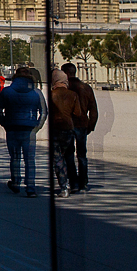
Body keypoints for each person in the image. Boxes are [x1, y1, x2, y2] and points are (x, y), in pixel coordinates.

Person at [0, 66, 47, 197]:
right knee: (30, 160)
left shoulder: (7, 91)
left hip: (12, 127)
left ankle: (16, 182)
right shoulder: (36, 92)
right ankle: (30, 187)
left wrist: (4, 123)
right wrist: (37, 126)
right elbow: (44, 112)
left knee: (15, 158)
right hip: (29, 128)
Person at [61, 63, 98, 192]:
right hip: (82, 124)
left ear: (66, 73)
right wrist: (91, 125)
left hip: (68, 124)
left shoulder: (66, 88)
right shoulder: (86, 88)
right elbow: (93, 109)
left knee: (68, 154)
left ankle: (73, 182)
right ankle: (83, 181)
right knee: (82, 155)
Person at [48, 69, 83, 198]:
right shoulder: (72, 95)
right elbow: (78, 113)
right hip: (68, 128)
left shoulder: (51, 94)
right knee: (69, 156)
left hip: (55, 129)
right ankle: (74, 184)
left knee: (57, 159)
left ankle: (63, 186)